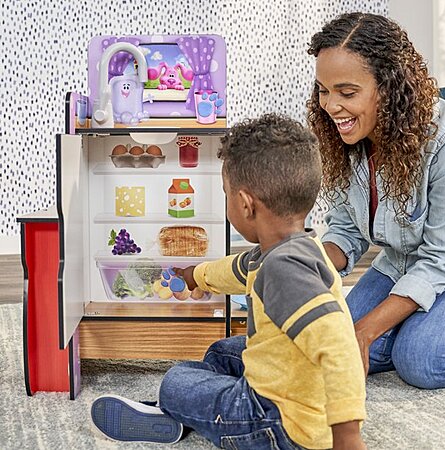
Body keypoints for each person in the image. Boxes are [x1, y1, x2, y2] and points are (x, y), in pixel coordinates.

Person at [91, 113, 367, 449]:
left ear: (246, 204)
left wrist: (347, 436)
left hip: (276, 423)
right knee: (223, 352)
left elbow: (340, 345)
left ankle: (177, 412)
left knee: (175, 382)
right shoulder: (292, 248)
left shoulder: (284, 269)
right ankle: (198, 407)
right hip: (292, 383)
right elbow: (237, 269)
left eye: (226, 194)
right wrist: (194, 276)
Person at [307, 12, 445, 389]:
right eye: (323, 90)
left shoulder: (444, 143)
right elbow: (345, 229)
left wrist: (367, 331)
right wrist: (307, 264)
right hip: (399, 264)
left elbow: (440, 260)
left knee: (418, 361)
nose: (330, 106)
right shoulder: (348, 140)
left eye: (347, 93)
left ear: (389, 88)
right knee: (338, 341)